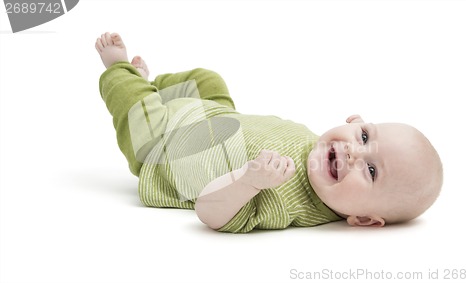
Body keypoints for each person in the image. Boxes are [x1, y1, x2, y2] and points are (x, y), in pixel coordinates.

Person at [95, 32, 443, 233]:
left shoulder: (287, 203)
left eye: (370, 171)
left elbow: (208, 212)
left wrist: (248, 182)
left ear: (363, 218)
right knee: (209, 80)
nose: (355, 153)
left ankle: (122, 72)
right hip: (216, 114)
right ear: (354, 120)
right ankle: (152, 85)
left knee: (134, 103)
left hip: (163, 148)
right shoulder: (313, 141)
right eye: (365, 137)